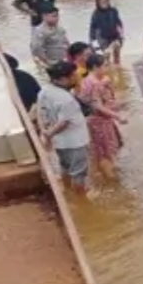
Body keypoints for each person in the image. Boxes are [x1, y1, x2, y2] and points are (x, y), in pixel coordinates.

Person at [36, 61, 91, 194]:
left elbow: (41, 113)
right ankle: (81, 199)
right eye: (73, 76)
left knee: (65, 167)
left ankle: (67, 191)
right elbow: (63, 123)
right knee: (78, 173)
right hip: (75, 142)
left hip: (60, 142)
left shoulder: (45, 91)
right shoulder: (66, 99)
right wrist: (49, 134)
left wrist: (46, 133)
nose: (75, 78)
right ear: (63, 79)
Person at [78, 54, 127, 179]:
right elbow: (98, 106)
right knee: (104, 151)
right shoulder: (93, 83)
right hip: (99, 122)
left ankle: (109, 172)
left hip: (101, 120)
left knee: (107, 148)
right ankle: (111, 179)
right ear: (95, 67)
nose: (106, 68)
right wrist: (118, 116)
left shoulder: (92, 81)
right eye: (104, 65)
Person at [89, 0, 124, 65]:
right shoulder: (96, 13)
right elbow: (93, 27)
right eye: (102, 2)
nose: (104, 3)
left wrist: (121, 33)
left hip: (115, 36)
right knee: (106, 56)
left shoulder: (113, 10)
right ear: (98, 4)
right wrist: (93, 39)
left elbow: (118, 21)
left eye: (106, 1)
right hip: (103, 37)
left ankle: (117, 67)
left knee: (117, 55)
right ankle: (108, 68)